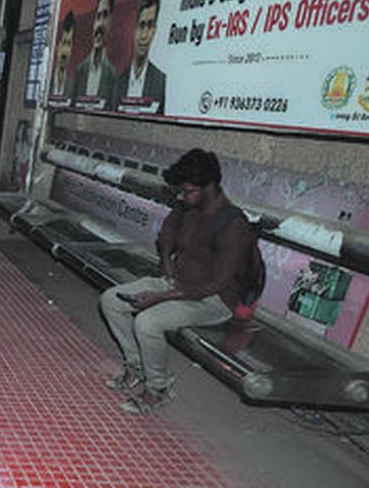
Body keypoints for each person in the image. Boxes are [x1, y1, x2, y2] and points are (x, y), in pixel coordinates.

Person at [99, 148, 256, 414]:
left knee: (147, 322)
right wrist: (167, 264)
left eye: (186, 191)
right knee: (111, 300)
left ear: (209, 187)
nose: (180, 197)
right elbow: (168, 232)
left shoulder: (234, 225)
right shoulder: (191, 206)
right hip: (177, 285)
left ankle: (158, 388)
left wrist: (161, 297)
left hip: (213, 300)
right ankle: (137, 368)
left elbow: (218, 283)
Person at [115, 0, 166, 113]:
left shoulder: (160, 82)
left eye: (150, 25)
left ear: (155, 30)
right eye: (141, 25)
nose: (144, 35)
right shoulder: (117, 82)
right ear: (133, 29)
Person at [72, 0, 118, 109]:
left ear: (111, 21)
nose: (100, 24)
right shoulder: (79, 71)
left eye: (105, 15)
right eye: (98, 17)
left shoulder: (113, 76)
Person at [50, 12, 75, 97]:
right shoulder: (47, 80)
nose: (65, 50)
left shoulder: (72, 86)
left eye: (69, 44)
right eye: (64, 43)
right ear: (57, 46)